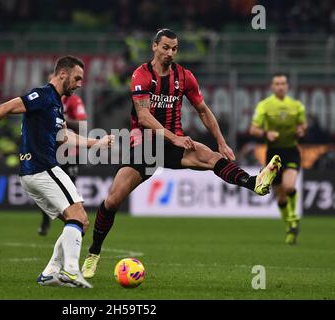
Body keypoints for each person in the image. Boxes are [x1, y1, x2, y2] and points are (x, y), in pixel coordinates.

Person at [81, 29, 281, 279]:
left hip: (174, 144)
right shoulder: (141, 74)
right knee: (112, 200)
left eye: (174, 48)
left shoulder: (184, 76)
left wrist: (221, 141)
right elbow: (143, 116)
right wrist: (174, 136)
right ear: (154, 46)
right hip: (145, 146)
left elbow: (203, 110)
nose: (170, 53)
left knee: (211, 157)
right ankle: (93, 253)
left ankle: (255, 183)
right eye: (165, 47)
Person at [0, 56, 114, 288]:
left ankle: (50, 272)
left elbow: (65, 136)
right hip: (42, 168)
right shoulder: (42, 96)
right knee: (79, 217)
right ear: (62, 74)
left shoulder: (55, 103)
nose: (79, 83)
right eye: (77, 78)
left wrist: (98, 143)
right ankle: (72, 271)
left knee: (78, 223)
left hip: (34, 173)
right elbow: (3, 108)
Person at [249, 73, 307, 245]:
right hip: (273, 154)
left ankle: (293, 216)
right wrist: (266, 133)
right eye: (277, 83)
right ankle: (290, 226)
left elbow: (303, 125)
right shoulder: (265, 106)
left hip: (291, 151)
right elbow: (253, 129)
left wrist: (301, 131)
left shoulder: (296, 106)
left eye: (283, 83)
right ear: (272, 87)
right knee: (280, 197)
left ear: (287, 86)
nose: (280, 86)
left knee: (290, 187)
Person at [38, 93, 88, 236]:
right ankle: (45, 221)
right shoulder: (47, 100)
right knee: (46, 188)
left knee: (70, 189)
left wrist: (60, 119)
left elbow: (82, 123)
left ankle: (74, 222)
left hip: (70, 153)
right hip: (51, 152)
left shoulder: (73, 100)